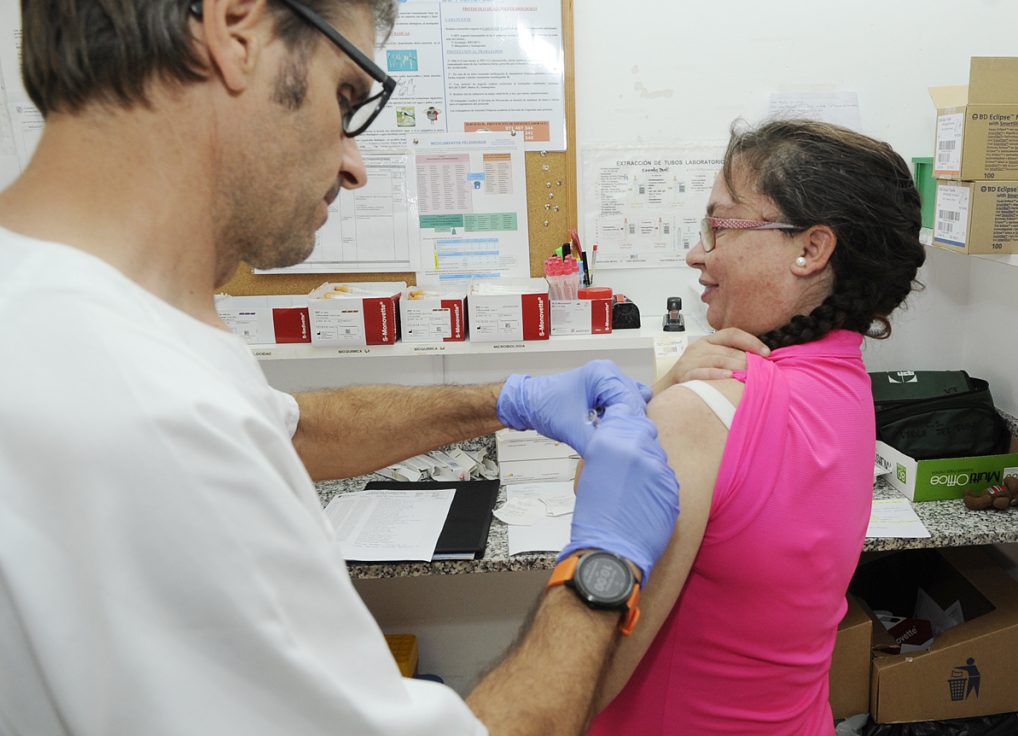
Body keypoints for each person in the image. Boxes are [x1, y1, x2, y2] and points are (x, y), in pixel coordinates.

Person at [0, 2, 682, 735]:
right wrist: (602, 567)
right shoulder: (148, 413)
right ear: (237, 32)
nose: (355, 166)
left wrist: (507, 399)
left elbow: (288, 432)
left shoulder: (66, 309)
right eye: (346, 96)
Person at [589, 119, 927, 735]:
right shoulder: (844, 380)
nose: (697, 253)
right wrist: (661, 400)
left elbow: (580, 677)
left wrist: (660, 404)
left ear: (811, 249)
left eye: (719, 225)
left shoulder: (699, 416)